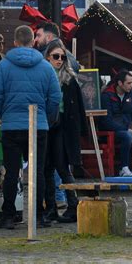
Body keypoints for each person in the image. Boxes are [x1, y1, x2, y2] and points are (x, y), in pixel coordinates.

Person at [0, 25, 61, 229]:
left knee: (12, 171)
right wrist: (45, 116)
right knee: (37, 171)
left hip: (11, 126)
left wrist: (5, 113)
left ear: (14, 42)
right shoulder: (46, 66)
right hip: (38, 126)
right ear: (33, 41)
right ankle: (38, 215)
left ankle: (9, 215)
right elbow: (55, 97)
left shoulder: (4, 66)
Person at [43, 40, 88, 223]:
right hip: (47, 125)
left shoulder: (69, 79)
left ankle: (73, 204)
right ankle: (51, 207)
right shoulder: (44, 76)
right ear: (48, 57)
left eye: (62, 57)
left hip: (63, 126)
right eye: (56, 56)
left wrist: (81, 130)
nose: (59, 60)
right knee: (47, 168)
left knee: (62, 166)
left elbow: (78, 108)